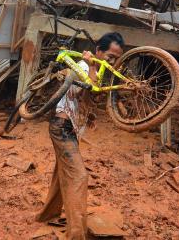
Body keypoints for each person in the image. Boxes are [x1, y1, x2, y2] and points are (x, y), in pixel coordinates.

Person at [35, 32, 125, 240]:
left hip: (71, 130)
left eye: (115, 59)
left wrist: (89, 114)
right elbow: (79, 91)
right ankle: (76, 236)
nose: (111, 61)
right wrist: (91, 65)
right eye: (109, 56)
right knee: (79, 177)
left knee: (62, 174)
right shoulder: (83, 67)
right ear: (98, 51)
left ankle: (47, 214)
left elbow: (86, 97)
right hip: (62, 127)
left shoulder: (96, 72)